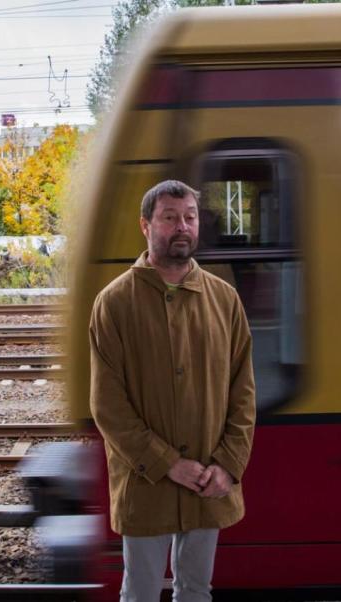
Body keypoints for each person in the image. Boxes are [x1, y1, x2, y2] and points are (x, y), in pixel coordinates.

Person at [89, 179, 256, 602]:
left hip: (208, 479)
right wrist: (167, 463)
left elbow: (243, 393)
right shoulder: (114, 303)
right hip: (146, 482)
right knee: (141, 591)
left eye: (190, 217)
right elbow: (107, 405)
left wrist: (228, 465)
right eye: (169, 218)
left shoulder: (225, 300)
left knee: (196, 590)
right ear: (146, 226)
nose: (182, 226)